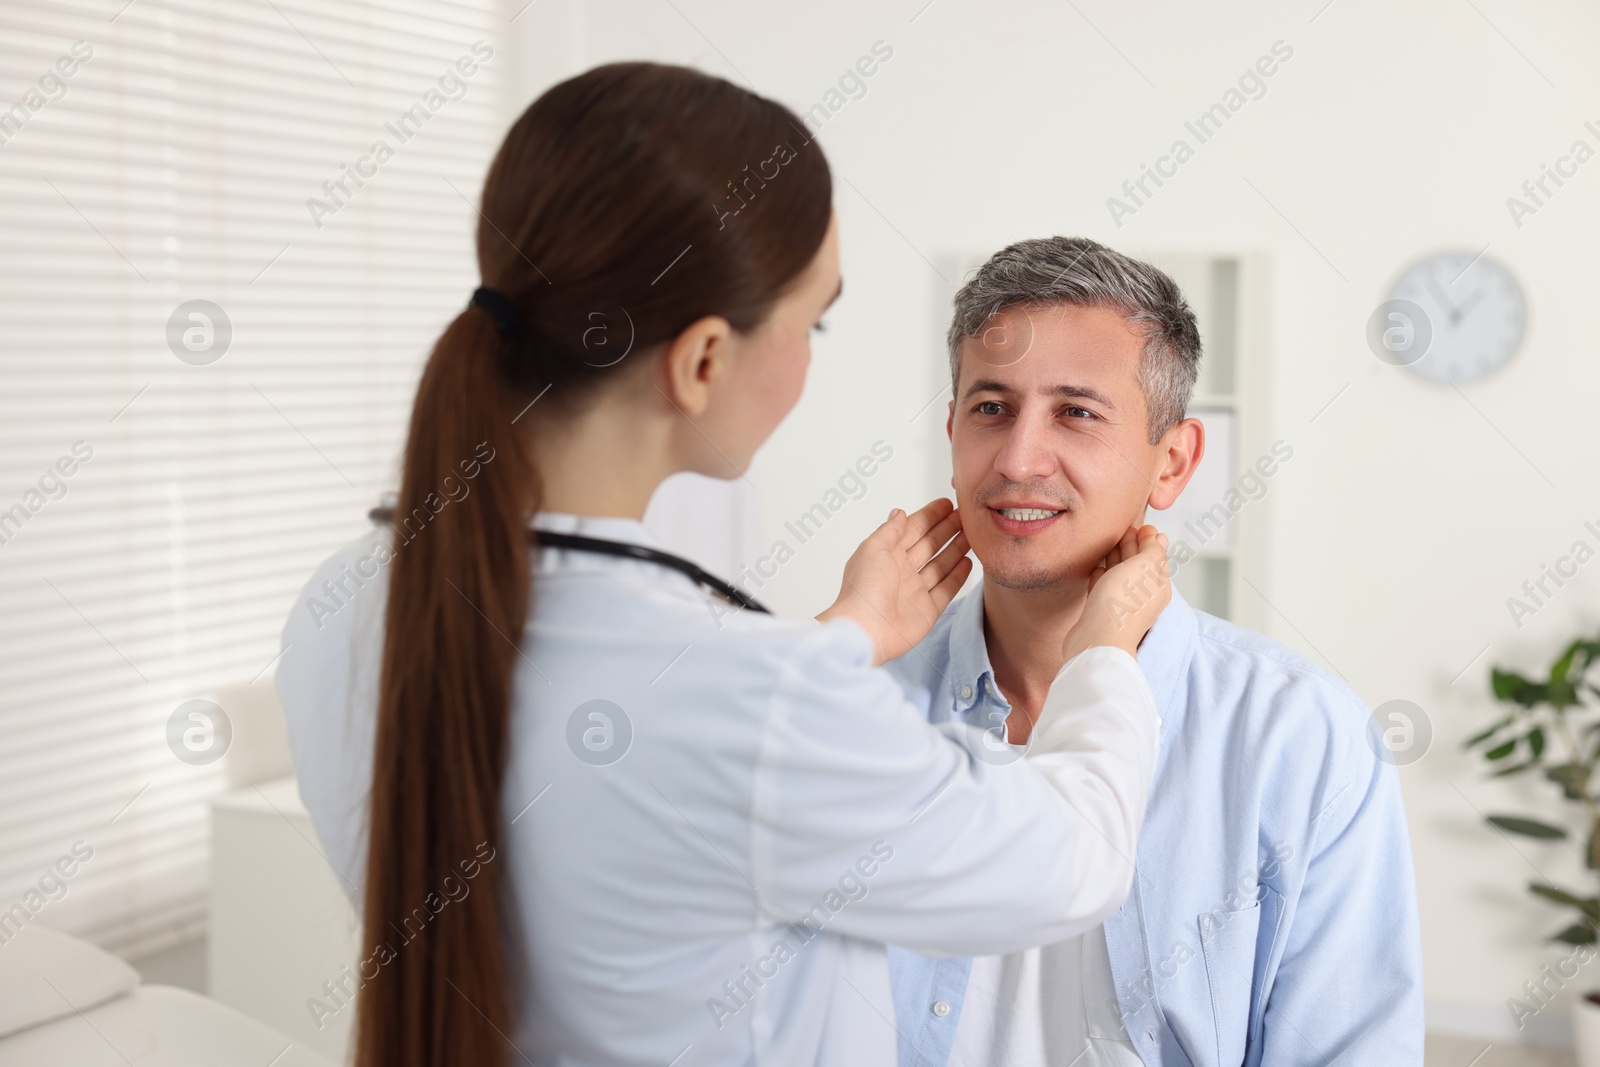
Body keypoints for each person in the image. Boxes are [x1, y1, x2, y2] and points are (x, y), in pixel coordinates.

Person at [274, 65, 1175, 1067]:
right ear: (704, 359)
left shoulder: (342, 607)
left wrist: (839, 639)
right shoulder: (749, 690)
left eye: (1077, 412)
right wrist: (1103, 657)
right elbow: (1069, 860)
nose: (1016, 459)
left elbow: (646, 775)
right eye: (812, 321)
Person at [885, 237, 1423, 1066]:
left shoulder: (1301, 738)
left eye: (1076, 412)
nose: (1020, 460)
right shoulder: (863, 708)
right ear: (952, 431)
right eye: (991, 407)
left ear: (1171, 463)